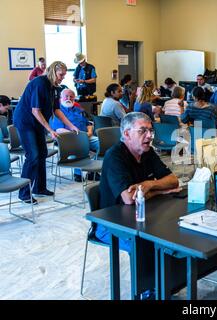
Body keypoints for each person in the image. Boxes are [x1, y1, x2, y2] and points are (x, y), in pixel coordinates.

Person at [97, 112, 179, 251]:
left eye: (150, 130)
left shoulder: (147, 151)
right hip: (110, 224)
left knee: (171, 234)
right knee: (146, 247)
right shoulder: (114, 156)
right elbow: (130, 199)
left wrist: (150, 184)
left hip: (140, 217)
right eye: (143, 131)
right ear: (127, 134)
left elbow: (173, 181)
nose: (149, 136)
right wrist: (161, 190)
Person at [13, 61, 79, 203]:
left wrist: (71, 125)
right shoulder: (40, 83)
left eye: (64, 75)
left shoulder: (55, 87)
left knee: (42, 153)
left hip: (37, 121)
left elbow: (57, 110)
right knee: (33, 155)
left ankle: (39, 188)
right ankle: (24, 193)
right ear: (53, 71)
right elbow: (35, 110)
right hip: (25, 121)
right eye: (61, 74)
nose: (62, 77)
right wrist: (50, 130)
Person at [50, 88, 100, 182]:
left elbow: (88, 123)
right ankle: (78, 173)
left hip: (86, 136)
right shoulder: (57, 111)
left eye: (71, 96)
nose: (69, 98)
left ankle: (92, 172)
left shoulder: (79, 109)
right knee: (80, 145)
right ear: (61, 98)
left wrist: (89, 132)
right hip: (68, 139)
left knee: (102, 144)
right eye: (66, 96)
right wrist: (79, 135)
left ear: (74, 98)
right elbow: (59, 130)